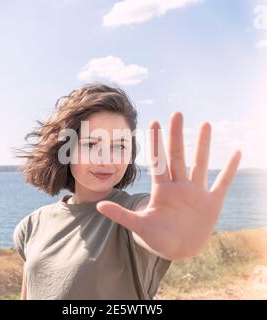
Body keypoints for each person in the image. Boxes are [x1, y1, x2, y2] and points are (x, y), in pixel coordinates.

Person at [13, 82, 242, 300]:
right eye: (92, 145)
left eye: (119, 146)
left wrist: (177, 234)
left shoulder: (132, 214)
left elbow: (151, 222)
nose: (106, 159)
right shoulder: (31, 226)